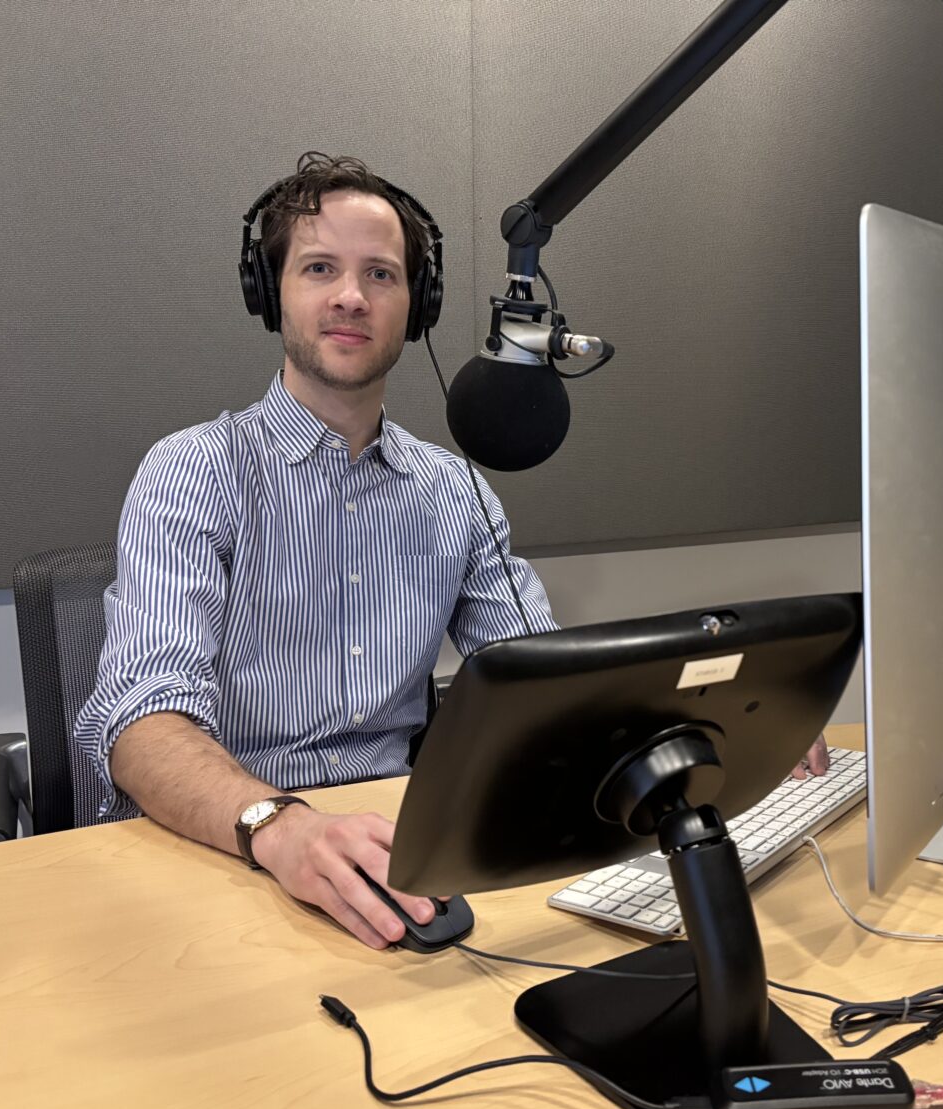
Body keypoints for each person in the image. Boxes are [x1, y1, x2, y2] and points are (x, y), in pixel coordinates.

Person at [75, 151, 829, 951]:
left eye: (383, 275)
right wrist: (278, 825)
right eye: (319, 267)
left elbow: (551, 684)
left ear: (420, 305)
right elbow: (140, 725)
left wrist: (719, 744)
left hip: (396, 856)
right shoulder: (194, 471)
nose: (351, 297)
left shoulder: (451, 491)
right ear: (271, 294)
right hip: (228, 851)